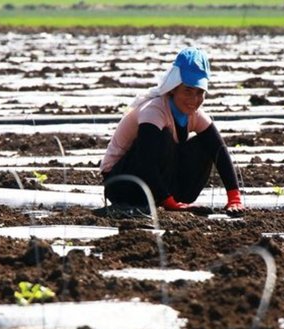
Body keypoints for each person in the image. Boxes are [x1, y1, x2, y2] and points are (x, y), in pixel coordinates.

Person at [99, 47, 245, 215]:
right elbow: (146, 161)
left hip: (157, 183)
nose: (194, 100)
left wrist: (234, 198)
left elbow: (220, 151)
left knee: (205, 143)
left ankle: (173, 198)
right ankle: (165, 199)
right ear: (173, 88)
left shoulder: (196, 115)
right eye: (188, 91)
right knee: (163, 138)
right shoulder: (154, 111)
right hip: (122, 183)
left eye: (199, 93)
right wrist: (168, 202)